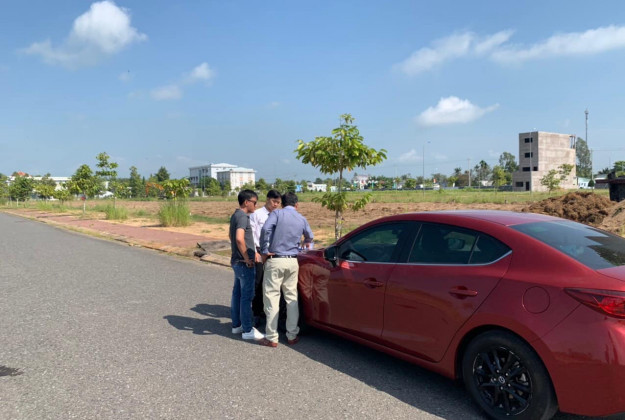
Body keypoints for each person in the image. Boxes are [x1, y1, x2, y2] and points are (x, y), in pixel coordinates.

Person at [258, 192, 313, 347]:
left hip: (276, 260)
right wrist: (305, 244)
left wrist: (264, 249)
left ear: (282, 203)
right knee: (291, 298)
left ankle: (271, 337)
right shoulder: (302, 218)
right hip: (292, 261)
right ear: (297, 205)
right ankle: (292, 334)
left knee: (272, 298)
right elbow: (310, 237)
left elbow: (265, 229)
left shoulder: (277, 214)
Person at [229, 189, 264, 341]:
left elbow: (231, 236)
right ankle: (248, 329)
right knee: (246, 297)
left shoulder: (235, 215)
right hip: (244, 263)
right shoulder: (243, 217)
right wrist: (247, 258)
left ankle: (236, 325)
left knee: (237, 294)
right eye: (254, 202)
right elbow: (239, 238)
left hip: (236, 261)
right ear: (246, 202)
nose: (256, 206)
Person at [249, 190, 282, 323]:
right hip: (260, 252)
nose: (276, 205)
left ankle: (267, 310)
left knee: (272, 284)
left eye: (278, 202)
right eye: (274, 201)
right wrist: (255, 252)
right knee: (258, 283)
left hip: (274, 253)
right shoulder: (256, 215)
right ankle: (256, 312)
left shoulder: (278, 215)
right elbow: (251, 235)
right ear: (267, 199)